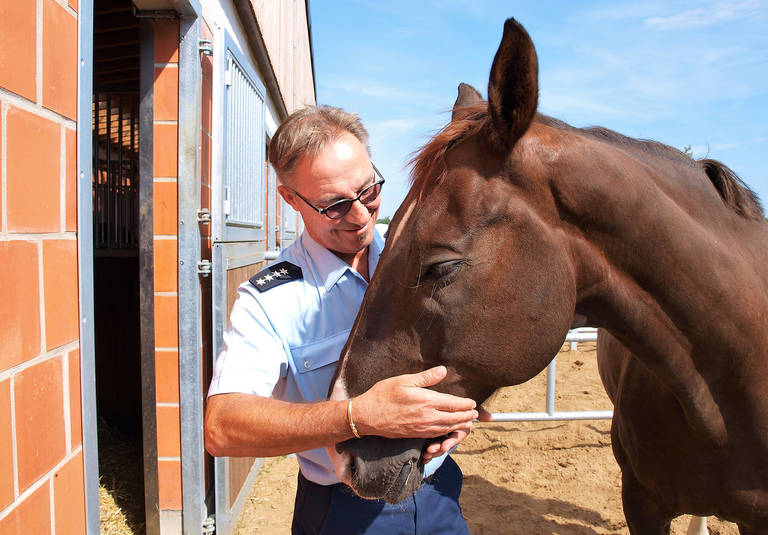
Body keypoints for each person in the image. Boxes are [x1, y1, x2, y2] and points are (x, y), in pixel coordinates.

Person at [204, 105, 484, 535]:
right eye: (334, 206)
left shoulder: (419, 258)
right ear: (291, 199)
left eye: (368, 190)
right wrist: (356, 418)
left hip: (439, 488)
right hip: (343, 509)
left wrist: (456, 411)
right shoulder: (270, 300)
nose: (360, 216)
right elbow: (222, 427)